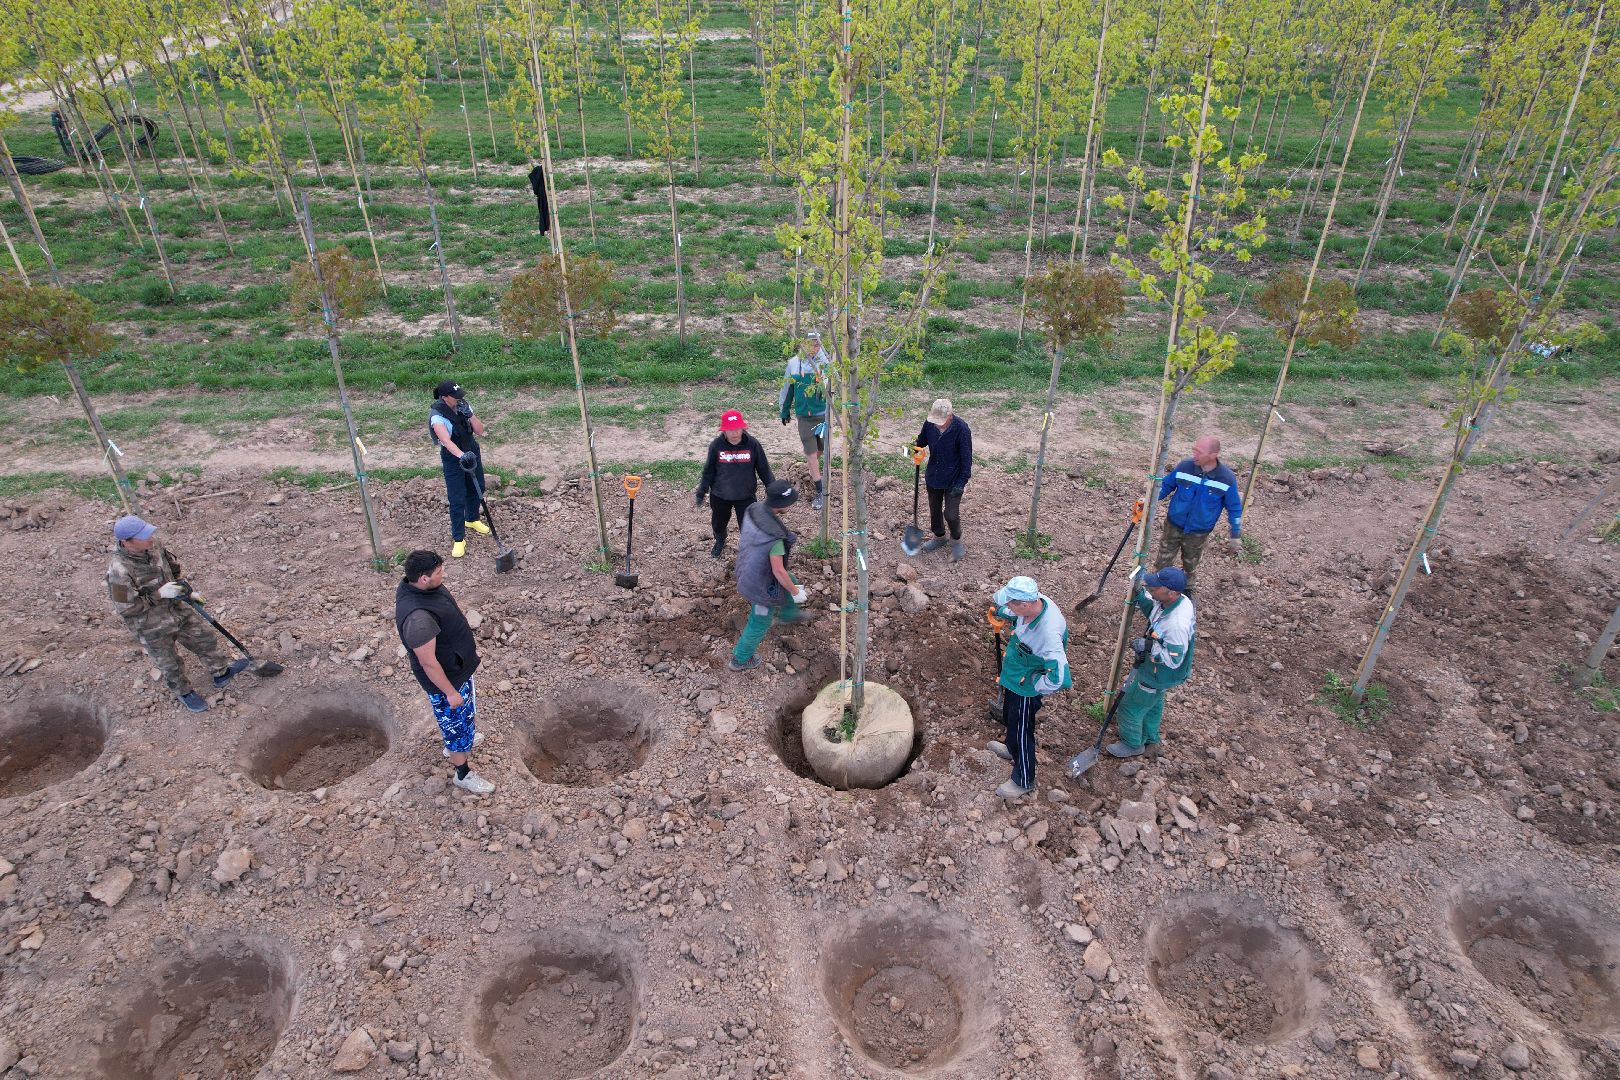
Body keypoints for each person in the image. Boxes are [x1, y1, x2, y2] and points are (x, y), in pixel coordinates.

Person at [105, 515, 251, 713]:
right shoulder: (118, 572)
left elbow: (173, 569)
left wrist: (186, 591)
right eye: (143, 536)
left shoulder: (153, 546)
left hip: (176, 608)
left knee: (205, 640)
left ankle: (221, 673)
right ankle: (185, 693)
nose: (150, 537)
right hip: (150, 625)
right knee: (169, 663)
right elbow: (126, 609)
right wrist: (159, 594)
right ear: (127, 542)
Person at [394, 550, 494, 795]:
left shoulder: (418, 588)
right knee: (454, 726)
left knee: (464, 719)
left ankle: (464, 737)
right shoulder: (418, 620)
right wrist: (449, 692)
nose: (443, 575)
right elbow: (428, 663)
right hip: (447, 681)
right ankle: (463, 773)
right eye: (439, 572)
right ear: (424, 578)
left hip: (457, 668)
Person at [987, 575, 1070, 799]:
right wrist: (1003, 612)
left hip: (1027, 683)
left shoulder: (1048, 634)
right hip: (1017, 671)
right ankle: (1011, 747)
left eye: (1010, 604)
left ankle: (1024, 779)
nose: (1007, 607)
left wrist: (1036, 685)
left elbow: (1059, 677)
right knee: (1009, 714)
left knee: (1023, 729)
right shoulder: (1034, 602)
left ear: (1024, 604)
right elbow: (1017, 615)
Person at [1106, 566, 1195, 760]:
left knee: (1130, 706)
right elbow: (1154, 613)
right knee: (1153, 703)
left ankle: (1132, 744)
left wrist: (1148, 646)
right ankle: (1149, 737)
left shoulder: (1176, 624)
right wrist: (1141, 594)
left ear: (1170, 592)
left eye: (1156, 587)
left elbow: (1173, 660)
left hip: (1160, 672)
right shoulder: (1174, 602)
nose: (1151, 588)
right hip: (1162, 673)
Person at [728, 479, 810, 672]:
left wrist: (791, 585)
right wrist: (795, 592)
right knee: (760, 622)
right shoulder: (775, 539)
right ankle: (740, 660)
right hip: (760, 584)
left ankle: (788, 615)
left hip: (748, 566)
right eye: (792, 502)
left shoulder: (754, 508)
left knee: (793, 580)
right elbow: (778, 571)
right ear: (783, 505)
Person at [1154, 435, 1242, 594]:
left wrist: (1235, 533)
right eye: (1194, 450)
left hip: (1198, 533)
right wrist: (1148, 501)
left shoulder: (1226, 479)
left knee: (1190, 563)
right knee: (1163, 560)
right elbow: (1166, 485)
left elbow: (1234, 507)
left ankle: (1187, 590)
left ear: (1212, 456)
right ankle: (1159, 589)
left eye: (1199, 452)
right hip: (1173, 525)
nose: (1194, 454)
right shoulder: (1184, 467)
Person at [695, 409, 775, 559]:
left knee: (748, 525)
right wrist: (702, 490)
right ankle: (720, 539)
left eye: (737, 428)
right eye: (730, 429)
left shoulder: (753, 445)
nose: (734, 433)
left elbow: (764, 468)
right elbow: (708, 470)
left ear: (742, 427)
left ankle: (748, 549)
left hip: (746, 495)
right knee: (718, 523)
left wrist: (772, 488)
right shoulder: (716, 446)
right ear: (724, 430)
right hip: (720, 494)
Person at [429, 379, 491, 560]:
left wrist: (470, 415)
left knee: (477, 486)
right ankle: (458, 538)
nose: (459, 399)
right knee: (457, 497)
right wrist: (461, 456)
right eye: (455, 397)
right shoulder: (437, 416)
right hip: (453, 459)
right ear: (445, 397)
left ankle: (472, 519)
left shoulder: (464, 406)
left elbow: (480, 431)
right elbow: (446, 441)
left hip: (472, 450)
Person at [913, 398, 972, 562]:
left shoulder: (962, 429)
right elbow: (921, 440)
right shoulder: (929, 423)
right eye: (935, 421)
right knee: (934, 509)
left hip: (954, 478)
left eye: (941, 422)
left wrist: (961, 483)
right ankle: (939, 536)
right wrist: (915, 449)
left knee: (951, 514)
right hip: (934, 475)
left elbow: (967, 461)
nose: (937, 425)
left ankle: (956, 541)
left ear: (950, 416)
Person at [779, 333, 829, 510]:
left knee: (820, 450)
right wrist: (784, 411)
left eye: (816, 345)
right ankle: (820, 492)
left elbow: (836, 389)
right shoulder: (794, 363)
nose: (813, 348)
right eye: (809, 344)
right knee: (811, 453)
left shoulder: (827, 364)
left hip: (822, 417)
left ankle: (809, 470)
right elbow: (788, 388)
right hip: (804, 418)